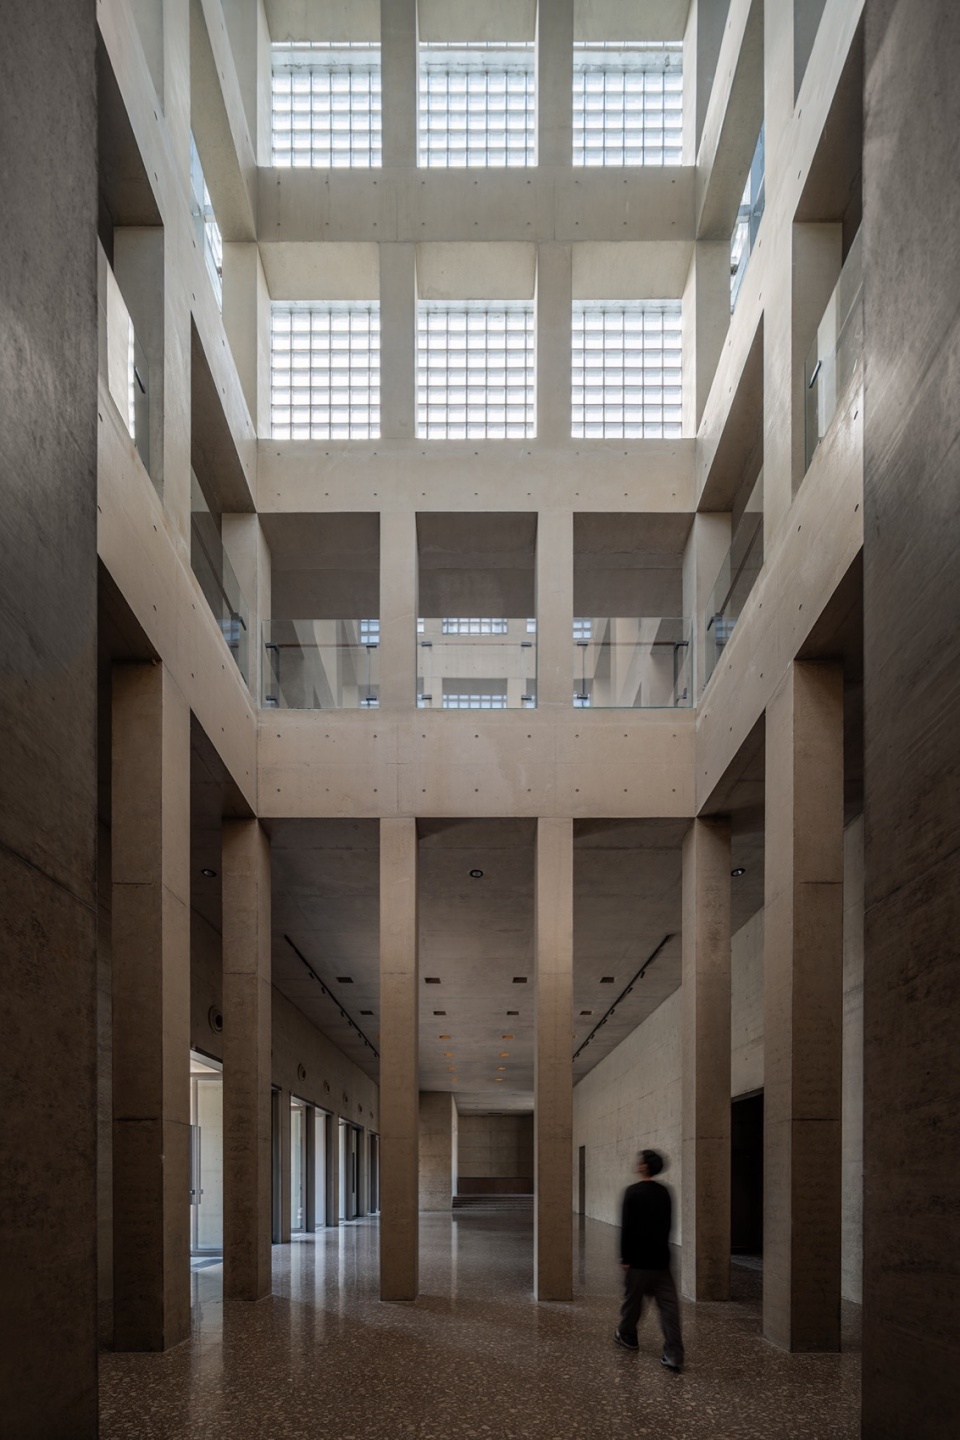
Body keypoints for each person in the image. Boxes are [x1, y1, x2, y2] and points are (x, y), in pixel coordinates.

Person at [614, 1149, 684, 1372]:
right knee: (669, 1309)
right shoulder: (664, 1192)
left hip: (638, 1260)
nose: (637, 1163)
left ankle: (627, 1334)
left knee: (633, 1303)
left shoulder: (633, 1192)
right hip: (661, 1259)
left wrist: (625, 1257)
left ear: (644, 1166)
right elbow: (667, 1225)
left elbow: (627, 1228)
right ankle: (674, 1354)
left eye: (640, 1161)